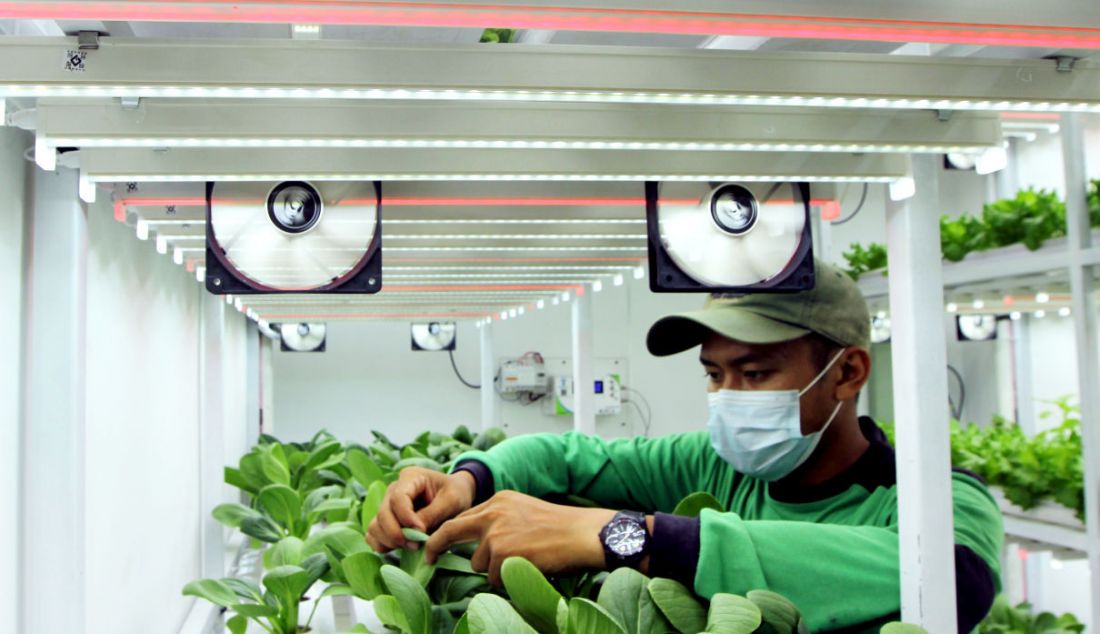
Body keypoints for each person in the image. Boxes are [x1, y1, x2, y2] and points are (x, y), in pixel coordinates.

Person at [367, 259, 1003, 633]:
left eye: (754, 375)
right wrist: (467, 479)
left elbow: (953, 579)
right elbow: (569, 457)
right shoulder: (714, 463)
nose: (727, 394)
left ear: (848, 372)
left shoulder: (939, 500)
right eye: (713, 374)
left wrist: (629, 535)